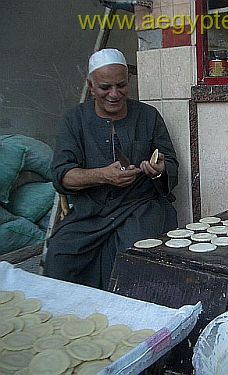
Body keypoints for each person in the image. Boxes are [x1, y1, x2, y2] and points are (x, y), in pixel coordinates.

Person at [44, 49, 179, 289]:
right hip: (91, 212)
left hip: (139, 207)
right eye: (105, 87)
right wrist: (103, 175)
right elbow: (63, 175)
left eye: (121, 85)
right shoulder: (74, 120)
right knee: (59, 255)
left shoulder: (148, 116)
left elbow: (169, 162)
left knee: (134, 257)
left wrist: (159, 169)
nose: (114, 94)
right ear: (91, 86)